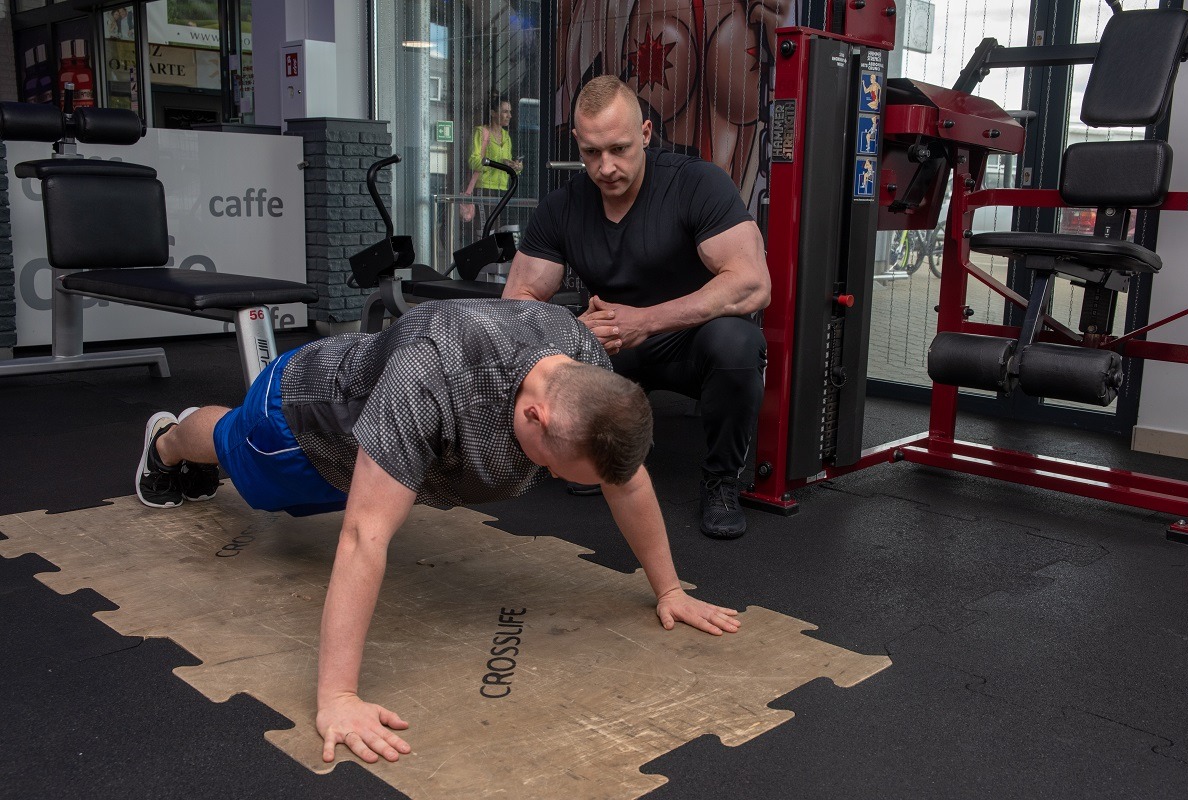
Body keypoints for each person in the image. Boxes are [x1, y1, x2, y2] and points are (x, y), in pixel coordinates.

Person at [134, 298, 740, 764]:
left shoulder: (583, 365)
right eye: (555, 466)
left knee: (363, 492)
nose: (552, 477)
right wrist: (338, 699)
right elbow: (363, 538)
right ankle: (168, 440)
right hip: (302, 425)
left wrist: (669, 590)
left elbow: (626, 482)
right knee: (230, 446)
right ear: (536, 416)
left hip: (391, 459)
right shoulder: (429, 376)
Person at [503, 75, 771, 540]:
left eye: (620, 149)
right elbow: (516, 305)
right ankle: (595, 453)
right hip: (614, 346)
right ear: (577, 142)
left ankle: (721, 481)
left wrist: (646, 320)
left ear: (645, 134)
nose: (606, 167)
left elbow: (752, 284)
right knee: (553, 342)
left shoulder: (696, 184)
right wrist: (574, 330)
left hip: (692, 343)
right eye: (591, 152)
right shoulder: (562, 207)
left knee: (738, 342)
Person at [462, 93, 524, 235]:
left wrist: (516, 167)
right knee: (488, 231)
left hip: (504, 188)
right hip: (485, 188)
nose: (510, 115)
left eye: (510, 112)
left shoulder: (506, 136)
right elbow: (472, 161)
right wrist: (498, 162)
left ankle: (507, 251)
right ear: (493, 113)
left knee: (512, 230)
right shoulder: (481, 132)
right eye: (505, 111)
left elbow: (507, 163)